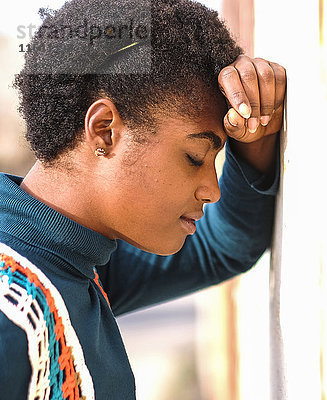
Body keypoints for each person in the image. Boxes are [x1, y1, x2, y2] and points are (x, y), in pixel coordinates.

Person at [0, 0, 285, 398]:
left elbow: (222, 247)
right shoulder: (14, 312)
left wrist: (259, 132)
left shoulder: (80, 261)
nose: (212, 190)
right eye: (195, 157)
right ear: (104, 131)